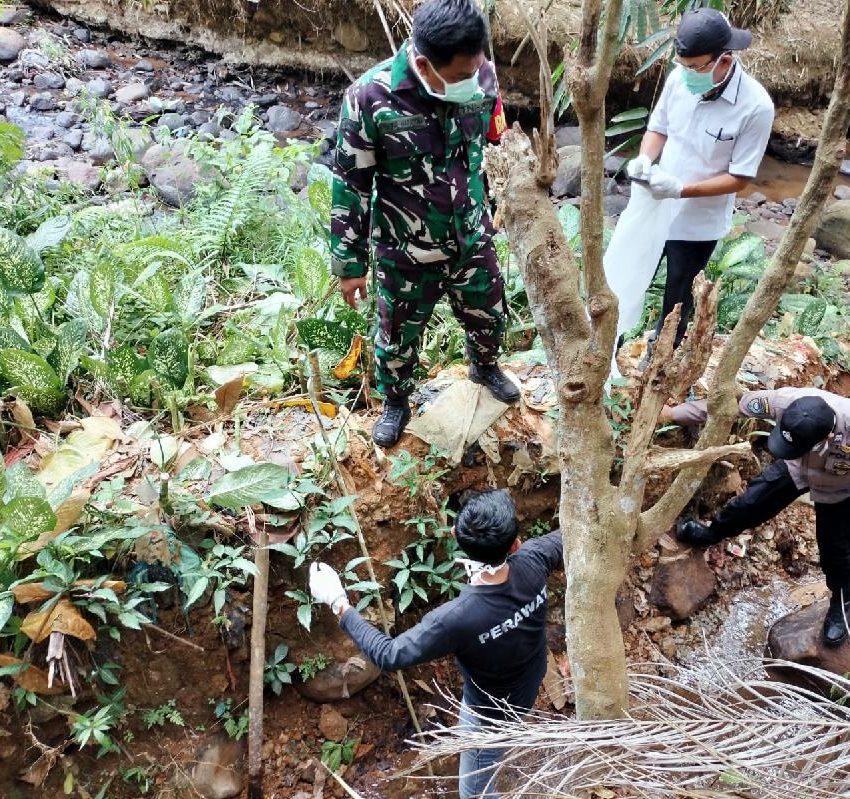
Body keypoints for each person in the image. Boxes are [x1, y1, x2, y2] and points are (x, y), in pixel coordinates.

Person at [331, 0, 518, 448]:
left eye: (474, 71)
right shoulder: (369, 98)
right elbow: (351, 185)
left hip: (472, 236)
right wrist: (349, 264)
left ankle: (485, 366)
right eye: (458, 77)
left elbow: (497, 142)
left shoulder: (482, 78)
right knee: (396, 340)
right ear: (422, 63)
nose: (470, 83)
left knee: (490, 315)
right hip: (405, 250)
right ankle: (396, 401)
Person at [308, 490, 562, 799]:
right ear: (515, 544)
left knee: (475, 793)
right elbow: (570, 536)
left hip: (489, 718)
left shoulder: (456, 619)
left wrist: (339, 604)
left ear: (455, 535)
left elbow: (389, 654)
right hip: (529, 685)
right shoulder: (534, 559)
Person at [666, 387, 850, 646]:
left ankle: (841, 603)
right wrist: (674, 413)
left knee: (835, 548)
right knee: (750, 503)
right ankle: (710, 533)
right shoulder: (782, 401)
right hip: (800, 467)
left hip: (849, 485)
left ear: (826, 437)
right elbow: (729, 407)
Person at [625, 9, 774, 353]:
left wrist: (681, 190)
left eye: (697, 68)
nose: (688, 74)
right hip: (654, 204)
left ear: (725, 59)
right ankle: (610, 349)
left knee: (677, 299)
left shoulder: (755, 107)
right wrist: (646, 158)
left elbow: (739, 177)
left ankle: (659, 363)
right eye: (683, 65)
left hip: (698, 224)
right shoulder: (680, 78)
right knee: (631, 278)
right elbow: (658, 127)